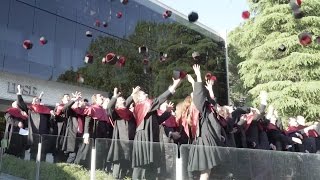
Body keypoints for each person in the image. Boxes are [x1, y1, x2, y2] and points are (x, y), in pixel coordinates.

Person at [131, 78, 181, 180]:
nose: (147, 95)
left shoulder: (147, 108)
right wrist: (173, 87)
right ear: (139, 98)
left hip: (150, 137)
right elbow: (159, 100)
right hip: (143, 138)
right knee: (141, 165)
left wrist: (167, 112)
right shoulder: (141, 105)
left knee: (152, 164)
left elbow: (157, 121)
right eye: (144, 94)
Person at [186, 64, 223, 180]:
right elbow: (198, 94)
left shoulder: (206, 107)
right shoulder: (200, 107)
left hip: (210, 138)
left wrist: (210, 89)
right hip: (205, 139)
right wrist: (198, 76)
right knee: (205, 171)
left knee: (208, 171)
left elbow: (212, 101)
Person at [107, 87, 139, 179]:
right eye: (120, 100)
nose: (123, 100)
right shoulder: (116, 113)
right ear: (116, 104)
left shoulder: (129, 113)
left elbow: (126, 105)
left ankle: (123, 176)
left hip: (130, 140)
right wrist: (114, 96)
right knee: (118, 160)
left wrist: (133, 94)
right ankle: (115, 177)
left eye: (123, 99)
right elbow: (109, 107)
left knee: (127, 160)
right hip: (120, 141)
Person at [16, 85, 52, 161]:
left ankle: (41, 169)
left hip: (43, 136)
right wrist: (19, 91)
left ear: (40, 101)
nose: (36, 101)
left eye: (38, 100)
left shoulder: (45, 110)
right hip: (33, 135)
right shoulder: (30, 109)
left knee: (42, 155)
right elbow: (20, 102)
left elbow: (50, 121)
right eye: (34, 100)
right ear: (32, 102)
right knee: (33, 154)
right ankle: (32, 169)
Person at [55, 92, 82, 163]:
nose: (68, 98)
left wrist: (77, 101)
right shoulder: (60, 107)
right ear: (62, 99)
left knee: (71, 154)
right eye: (66, 97)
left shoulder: (72, 110)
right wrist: (74, 100)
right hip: (61, 134)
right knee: (60, 155)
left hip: (70, 134)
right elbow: (65, 108)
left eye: (68, 97)